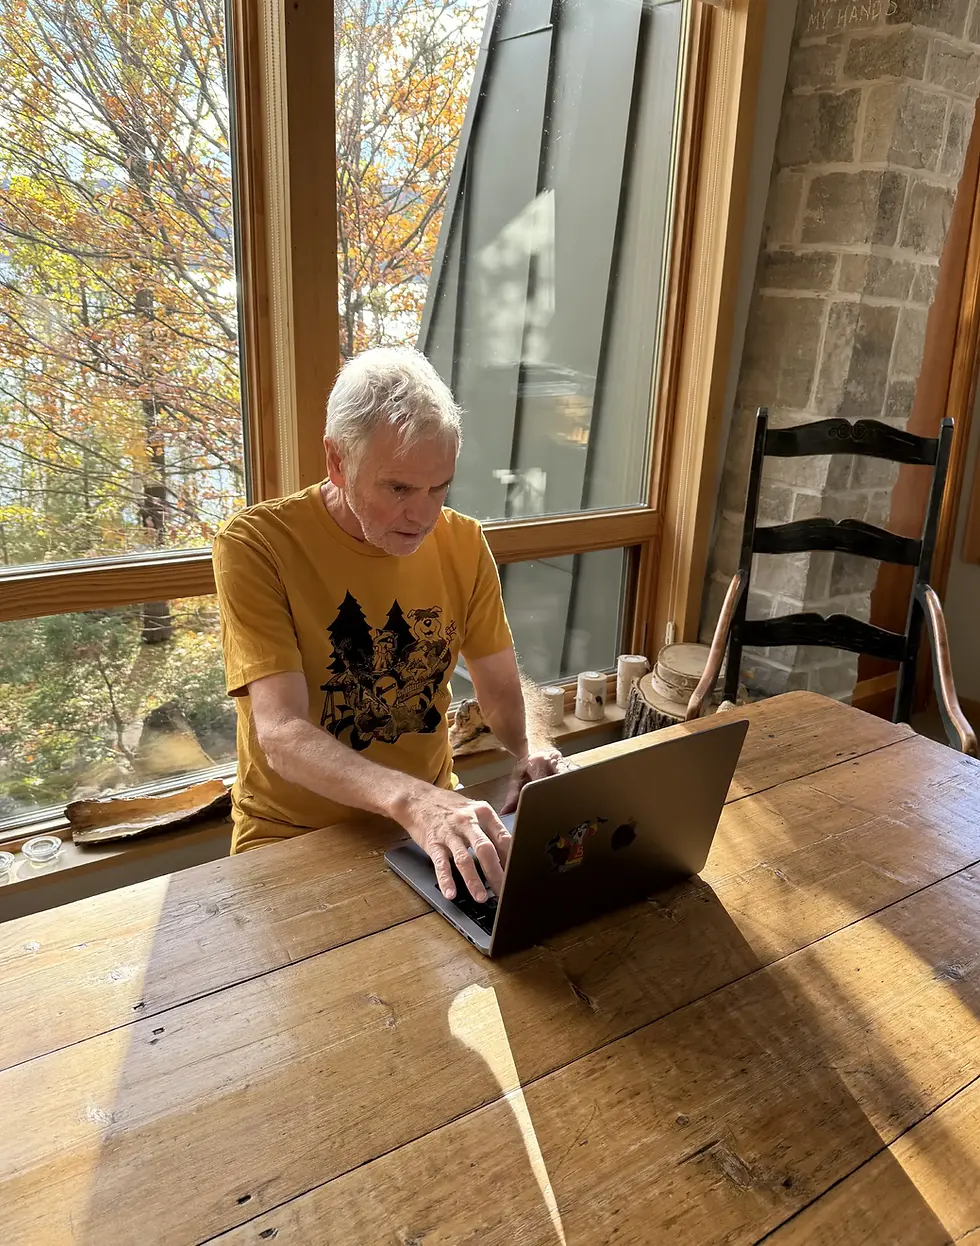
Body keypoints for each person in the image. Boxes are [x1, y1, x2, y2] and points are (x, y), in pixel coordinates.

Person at [213, 346, 565, 904]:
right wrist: (412, 801)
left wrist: (533, 748)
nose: (422, 516)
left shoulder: (464, 542)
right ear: (336, 461)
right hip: (293, 836)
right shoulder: (257, 546)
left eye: (439, 487)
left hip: (430, 829)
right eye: (398, 488)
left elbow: (499, 688)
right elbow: (280, 734)